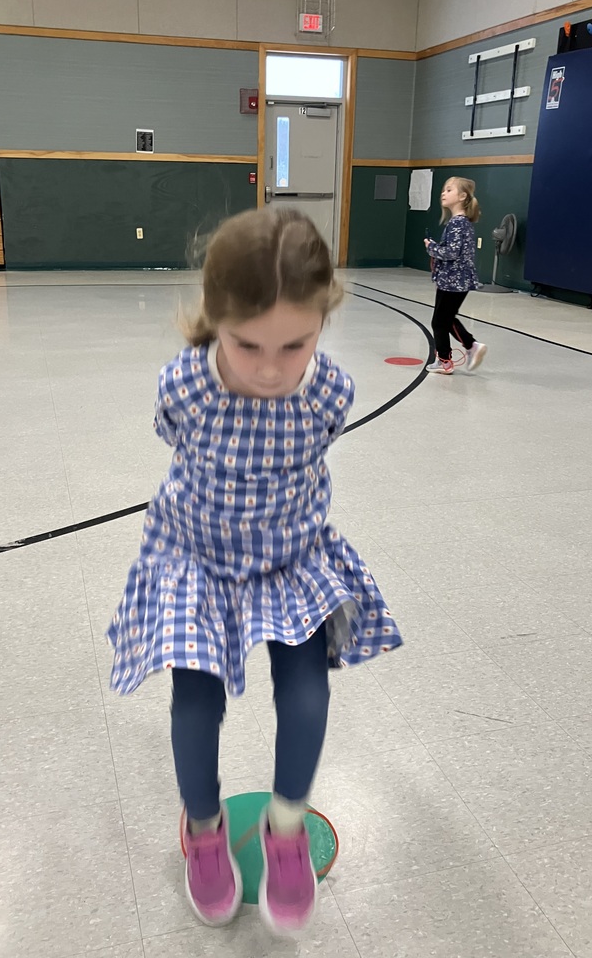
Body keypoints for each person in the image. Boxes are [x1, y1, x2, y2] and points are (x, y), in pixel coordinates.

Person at [107, 208, 402, 936]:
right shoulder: (185, 386)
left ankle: (287, 827)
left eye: (294, 345)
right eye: (246, 345)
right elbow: (173, 436)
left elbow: (317, 439)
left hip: (289, 559)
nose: (270, 369)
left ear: (323, 326)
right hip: (196, 559)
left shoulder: (329, 391)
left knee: (305, 696)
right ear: (215, 320)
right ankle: (203, 833)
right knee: (196, 702)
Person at [423, 176, 488, 374]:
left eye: (449, 190)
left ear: (462, 196)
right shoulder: (460, 222)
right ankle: (468, 347)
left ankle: (447, 359)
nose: (444, 193)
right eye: (444, 190)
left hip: (453, 281)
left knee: (440, 321)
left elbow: (452, 253)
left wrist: (431, 247)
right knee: (446, 319)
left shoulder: (458, 223)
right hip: (454, 280)